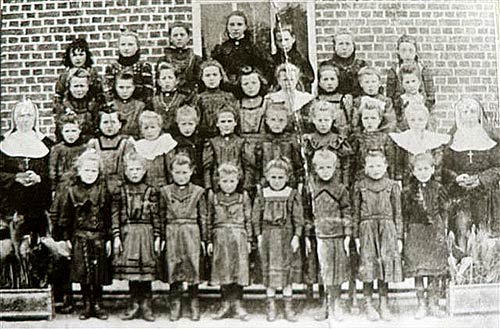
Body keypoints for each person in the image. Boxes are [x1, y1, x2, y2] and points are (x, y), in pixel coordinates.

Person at [0, 100, 54, 288]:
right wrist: (15, 177)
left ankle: (37, 287)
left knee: (36, 247)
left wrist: (39, 178)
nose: (25, 119)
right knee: (11, 248)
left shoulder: (46, 144)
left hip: (38, 206)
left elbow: (53, 174)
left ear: (35, 118)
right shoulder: (3, 143)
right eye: (21, 115)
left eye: (29, 115)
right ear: (14, 118)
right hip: (10, 206)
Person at [54, 150, 111, 320]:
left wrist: (109, 238)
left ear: (99, 172)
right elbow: (65, 217)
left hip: (99, 236)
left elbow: (108, 216)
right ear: (79, 171)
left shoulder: (103, 190)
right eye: (86, 170)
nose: (90, 174)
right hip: (80, 236)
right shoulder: (71, 191)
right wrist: (66, 238)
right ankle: (87, 304)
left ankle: (97, 304)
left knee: (98, 272)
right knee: (84, 272)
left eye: (94, 171)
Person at [443, 96, 500, 250]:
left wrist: (481, 179)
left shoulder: (491, 139)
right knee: (461, 230)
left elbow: (497, 167)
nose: (468, 115)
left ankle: (484, 269)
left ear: (479, 114)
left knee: (485, 232)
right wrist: (456, 178)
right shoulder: (451, 140)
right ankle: (464, 266)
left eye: (473, 111)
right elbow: (444, 168)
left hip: (485, 195)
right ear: (459, 115)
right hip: (461, 194)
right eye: (464, 112)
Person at [352, 151, 403, 321]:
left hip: (387, 229)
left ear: (386, 166)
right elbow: (355, 213)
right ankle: (368, 303)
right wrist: (356, 236)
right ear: (365, 168)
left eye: (379, 165)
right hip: (366, 229)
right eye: (371, 166)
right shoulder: (360, 186)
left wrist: (399, 236)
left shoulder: (392, 185)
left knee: (384, 266)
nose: (375, 169)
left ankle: (383, 303)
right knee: (368, 266)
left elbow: (398, 213)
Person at [252, 158, 304, 322]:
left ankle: (288, 307)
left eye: (280, 177)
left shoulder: (292, 194)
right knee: (270, 273)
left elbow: (298, 218)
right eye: (273, 177)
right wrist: (259, 235)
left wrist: (297, 236)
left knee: (287, 272)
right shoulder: (262, 194)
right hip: (268, 237)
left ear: (287, 177)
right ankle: (271, 306)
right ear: (267, 176)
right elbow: (256, 217)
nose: (277, 181)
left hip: (286, 236)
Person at [111, 151, 161, 322]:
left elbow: (156, 216)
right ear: (125, 171)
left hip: (146, 233)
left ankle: (146, 305)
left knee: (145, 271)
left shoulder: (150, 191)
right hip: (128, 233)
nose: (134, 173)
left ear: (144, 171)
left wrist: (157, 236)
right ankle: (134, 304)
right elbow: (115, 214)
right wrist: (116, 235)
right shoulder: (120, 191)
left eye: (138, 169)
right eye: (131, 169)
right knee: (132, 272)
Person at [159, 154, 208, 321]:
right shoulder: (164, 192)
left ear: (192, 172)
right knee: (173, 265)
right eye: (178, 172)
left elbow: (203, 216)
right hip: (172, 231)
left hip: (191, 232)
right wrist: (160, 236)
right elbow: (160, 216)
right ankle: (175, 301)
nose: (181, 176)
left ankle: (194, 301)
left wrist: (204, 239)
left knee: (193, 265)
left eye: (185, 172)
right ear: (171, 172)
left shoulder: (198, 192)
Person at [304, 149, 351, 322]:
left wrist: (347, 234)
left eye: (329, 167)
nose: (325, 171)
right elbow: (307, 213)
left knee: (336, 273)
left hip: (336, 236)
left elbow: (347, 211)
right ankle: (325, 303)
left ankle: (336, 303)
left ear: (335, 168)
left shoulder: (340, 189)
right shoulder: (311, 188)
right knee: (323, 272)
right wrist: (308, 235)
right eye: (321, 168)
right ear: (315, 168)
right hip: (319, 238)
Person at [402, 152, 448, 319]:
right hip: (416, 232)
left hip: (434, 231)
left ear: (433, 169)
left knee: (435, 270)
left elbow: (444, 211)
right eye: (419, 169)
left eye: (426, 168)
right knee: (419, 269)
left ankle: (433, 303)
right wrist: (405, 233)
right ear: (413, 171)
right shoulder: (408, 191)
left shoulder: (438, 188)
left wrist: (443, 230)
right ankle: (421, 303)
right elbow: (404, 214)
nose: (423, 172)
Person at [49, 112, 86, 313]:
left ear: (80, 131)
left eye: (74, 130)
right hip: (61, 199)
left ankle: (84, 295)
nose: (71, 134)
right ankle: (65, 295)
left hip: (78, 198)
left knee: (78, 247)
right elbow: (52, 175)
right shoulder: (57, 149)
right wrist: (56, 198)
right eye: (67, 131)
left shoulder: (84, 148)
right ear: (61, 132)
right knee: (62, 245)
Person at [207, 163, 252, 321]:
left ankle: (238, 304)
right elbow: (209, 219)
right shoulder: (213, 197)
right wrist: (208, 241)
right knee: (223, 270)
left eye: (232, 181)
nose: (228, 185)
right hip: (220, 237)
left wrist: (249, 240)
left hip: (239, 237)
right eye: (225, 181)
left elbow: (248, 219)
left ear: (238, 181)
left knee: (238, 270)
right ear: (218, 181)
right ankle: (225, 303)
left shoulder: (243, 197)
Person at [390, 103, 450, 185]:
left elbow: (438, 165)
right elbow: (399, 164)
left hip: (430, 181)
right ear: (407, 121)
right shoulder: (402, 139)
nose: (416, 123)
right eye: (412, 120)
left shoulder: (434, 139)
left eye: (420, 119)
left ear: (426, 120)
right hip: (408, 182)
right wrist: (399, 181)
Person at [212, 10, 273, 87]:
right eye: (232, 25)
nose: (235, 28)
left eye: (239, 24)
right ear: (227, 27)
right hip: (228, 88)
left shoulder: (254, 48)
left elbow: (268, 68)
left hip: (249, 88)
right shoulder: (220, 50)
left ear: (245, 27)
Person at [202, 105, 251, 193]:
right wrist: (209, 188)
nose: (226, 125)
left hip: (238, 185)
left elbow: (248, 167)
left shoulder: (241, 142)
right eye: (223, 121)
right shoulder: (212, 143)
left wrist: (246, 188)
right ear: (217, 123)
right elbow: (207, 168)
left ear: (235, 122)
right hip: (217, 185)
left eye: (229, 121)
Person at [236, 66, 269, 195]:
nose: (250, 87)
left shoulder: (267, 102)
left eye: (254, 83)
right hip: (243, 147)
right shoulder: (237, 104)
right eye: (246, 83)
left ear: (261, 83)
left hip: (263, 146)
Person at [303, 100, 352, 186]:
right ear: (313, 120)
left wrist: (345, 184)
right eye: (320, 120)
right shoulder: (310, 140)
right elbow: (307, 165)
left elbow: (345, 165)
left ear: (332, 119)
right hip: (316, 183)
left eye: (326, 120)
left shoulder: (338, 140)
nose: (323, 124)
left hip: (336, 182)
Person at [350, 97, 398, 183]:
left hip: (382, 178)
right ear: (361, 119)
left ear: (379, 120)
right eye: (366, 118)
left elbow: (391, 162)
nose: (369, 122)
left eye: (373, 118)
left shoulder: (385, 138)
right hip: (362, 179)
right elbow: (353, 163)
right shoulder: (357, 138)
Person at [87, 110, 135, 192]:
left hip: (121, 186)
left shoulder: (127, 142)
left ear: (120, 124)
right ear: (99, 125)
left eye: (113, 122)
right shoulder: (94, 143)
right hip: (98, 186)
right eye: (105, 122)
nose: (109, 126)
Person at [103, 28, 153, 106]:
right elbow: (108, 92)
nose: (126, 48)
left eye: (130, 44)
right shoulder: (112, 67)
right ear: (118, 47)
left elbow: (148, 93)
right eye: (123, 44)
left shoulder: (144, 66)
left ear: (137, 47)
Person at [386, 34, 435, 113]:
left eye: (410, 50)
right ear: (398, 51)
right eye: (403, 50)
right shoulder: (394, 71)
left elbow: (431, 95)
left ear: (416, 52)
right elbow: (390, 96)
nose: (407, 54)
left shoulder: (423, 69)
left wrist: (423, 108)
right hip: (401, 110)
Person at [321, 29, 368, 105]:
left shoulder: (362, 65)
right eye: (340, 44)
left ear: (353, 46)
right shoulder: (327, 66)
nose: (344, 48)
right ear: (334, 46)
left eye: (347, 44)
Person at [53, 68, 100, 142]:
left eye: (82, 86)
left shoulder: (94, 105)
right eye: (75, 86)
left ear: (87, 87)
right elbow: (59, 131)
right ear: (69, 87)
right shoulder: (63, 106)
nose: (79, 90)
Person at [157, 21, 202, 98]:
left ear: (188, 38)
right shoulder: (164, 60)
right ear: (170, 39)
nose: (179, 38)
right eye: (175, 35)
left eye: (182, 35)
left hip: (191, 97)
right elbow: (159, 85)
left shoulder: (196, 59)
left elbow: (200, 83)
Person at [195, 59, 238, 141]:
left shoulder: (228, 97)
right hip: (204, 139)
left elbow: (235, 118)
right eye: (207, 75)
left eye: (215, 75)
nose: (211, 78)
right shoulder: (198, 98)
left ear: (221, 76)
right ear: (202, 78)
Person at [53, 37, 103, 107]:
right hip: (70, 109)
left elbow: (98, 93)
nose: (78, 58)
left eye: (81, 55)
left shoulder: (92, 73)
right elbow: (59, 95)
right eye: (74, 55)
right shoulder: (65, 75)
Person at [133, 111, 177, 189]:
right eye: (146, 128)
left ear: (159, 128)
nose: (149, 131)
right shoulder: (139, 146)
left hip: (164, 184)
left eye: (153, 127)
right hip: (145, 186)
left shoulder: (164, 142)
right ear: (141, 130)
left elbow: (171, 167)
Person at [146, 62, 188, 134]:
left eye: (170, 78)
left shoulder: (183, 99)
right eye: (164, 78)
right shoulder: (154, 100)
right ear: (159, 82)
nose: (167, 81)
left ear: (177, 81)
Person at [351, 67, 396, 133]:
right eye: (367, 82)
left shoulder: (386, 101)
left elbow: (390, 123)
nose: (370, 85)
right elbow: (355, 123)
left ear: (379, 83)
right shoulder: (357, 102)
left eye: (373, 82)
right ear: (361, 84)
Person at [271, 25, 314, 92]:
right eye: (280, 40)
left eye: (286, 39)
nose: (283, 43)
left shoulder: (301, 59)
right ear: (276, 42)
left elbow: (309, 79)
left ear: (293, 39)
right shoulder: (273, 60)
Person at [170, 105, 204, 186]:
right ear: (178, 124)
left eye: (190, 124)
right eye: (183, 124)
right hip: (181, 176)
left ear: (196, 124)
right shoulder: (174, 142)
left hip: (198, 177)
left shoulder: (200, 140)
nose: (187, 128)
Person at [112, 69, 146, 138]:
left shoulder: (140, 106)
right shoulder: (110, 105)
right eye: (121, 87)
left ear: (133, 87)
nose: (125, 91)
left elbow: (143, 130)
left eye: (128, 87)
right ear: (115, 87)